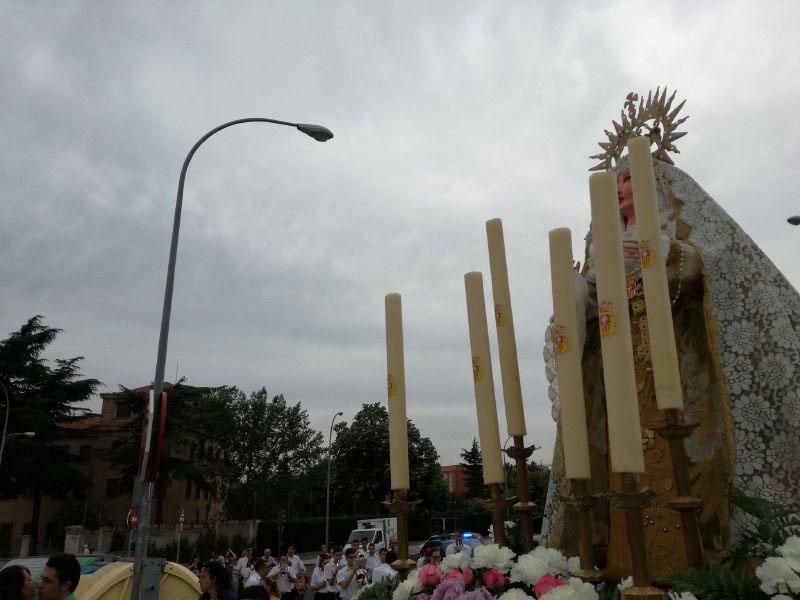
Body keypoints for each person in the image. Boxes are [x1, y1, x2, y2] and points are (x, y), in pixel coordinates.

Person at [542, 91, 800, 581]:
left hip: (681, 382)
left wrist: (667, 257)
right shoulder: (605, 248)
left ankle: (697, 578)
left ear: (654, 182)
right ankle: (626, 572)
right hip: (622, 396)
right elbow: (591, 320)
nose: (617, 185)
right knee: (624, 481)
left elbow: (725, 270)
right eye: (613, 179)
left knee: (688, 479)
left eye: (626, 177)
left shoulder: (679, 232)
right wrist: (576, 292)